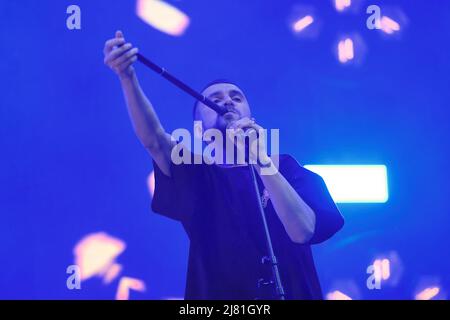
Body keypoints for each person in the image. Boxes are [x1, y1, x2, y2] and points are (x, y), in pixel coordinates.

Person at [104, 31, 344, 300]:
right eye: (215, 100)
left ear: (251, 115)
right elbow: (155, 140)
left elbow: (303, 231)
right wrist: (128, 78)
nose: (227, 101)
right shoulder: (197, 173)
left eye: (236, 97)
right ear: (199, 129)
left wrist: (260, 161)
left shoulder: (287, 168)